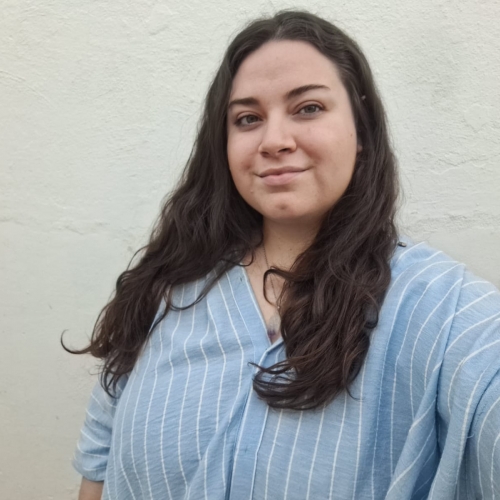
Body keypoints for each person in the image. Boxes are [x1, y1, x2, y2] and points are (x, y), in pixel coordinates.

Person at [68, 10, 500, 500]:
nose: (274, 141)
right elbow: (99, 462)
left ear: (361, 129)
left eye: (308, 108)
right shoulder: (164, 289)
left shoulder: (440, 311)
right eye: (248, 119)